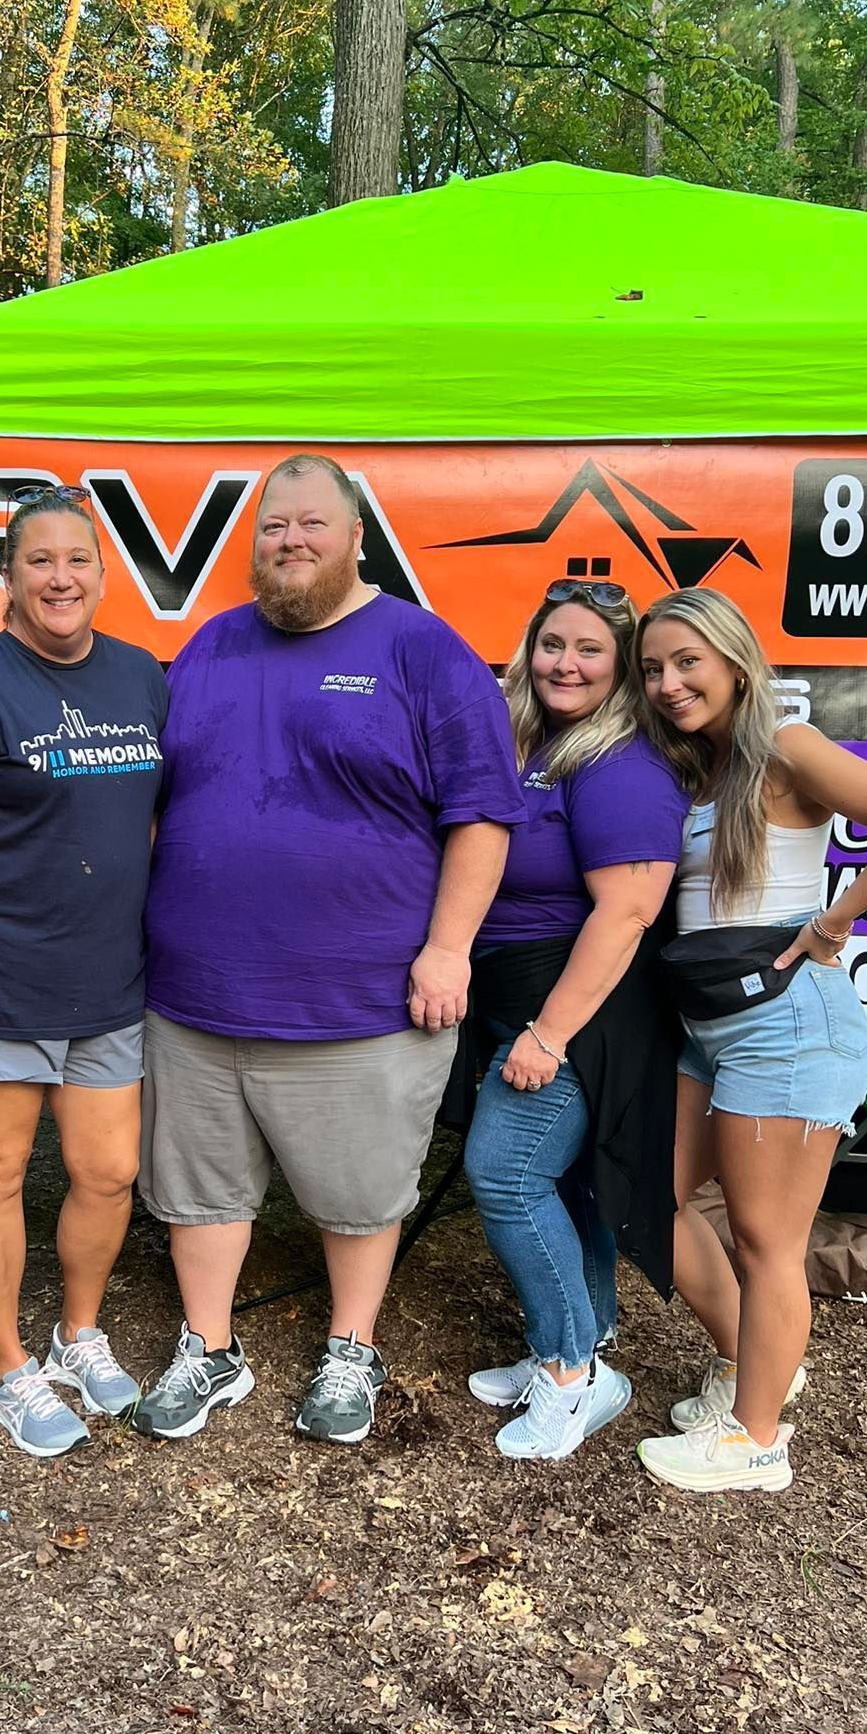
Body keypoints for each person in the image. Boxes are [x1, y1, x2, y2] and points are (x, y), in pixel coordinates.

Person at [134, 453, 524, 1445]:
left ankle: (352, 1345)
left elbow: (482, 815)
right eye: (273, 527)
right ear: (253, 544)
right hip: (194, 993)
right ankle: (209, 1347)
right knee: (198, 1185)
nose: (291, 541)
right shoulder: (210, 647)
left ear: (357, 537)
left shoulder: (424, 651)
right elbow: (158, 801)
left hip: (358, 998)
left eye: (312, 523)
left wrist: (449, 948)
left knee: (358, 1192)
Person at [632, 587, 867, 1495]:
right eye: (653, 668)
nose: (668, 683)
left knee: (767, 1239)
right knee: (650, 1199)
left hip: (787, 1026)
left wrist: (834, 925)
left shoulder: (783, 745)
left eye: (687, 662)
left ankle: (757, 1441)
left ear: (736, 661)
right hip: (709, 1029)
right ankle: (753, 1365)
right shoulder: (696, 768)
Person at [0, 487, 166, 1458]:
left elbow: (144, 820)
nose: (61, 577)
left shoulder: (143, 677)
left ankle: (79, 1332)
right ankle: (12, 1368)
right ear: (8, 576)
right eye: (40, 560)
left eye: (78, 559)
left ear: (102, 572)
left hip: (109, 979)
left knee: (107, 1172)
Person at [463, 581, 688, 1459]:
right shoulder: (535, 745)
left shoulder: (622, 765)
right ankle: (578, 1341)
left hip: (579, 1006)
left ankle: (573, 1377)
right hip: (519, 992)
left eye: (590, 650)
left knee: (508, 1173)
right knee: (567, 1181)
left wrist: (550, 1034)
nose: (566, 663)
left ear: (623, 668)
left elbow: (626, 914)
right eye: (552, 644)